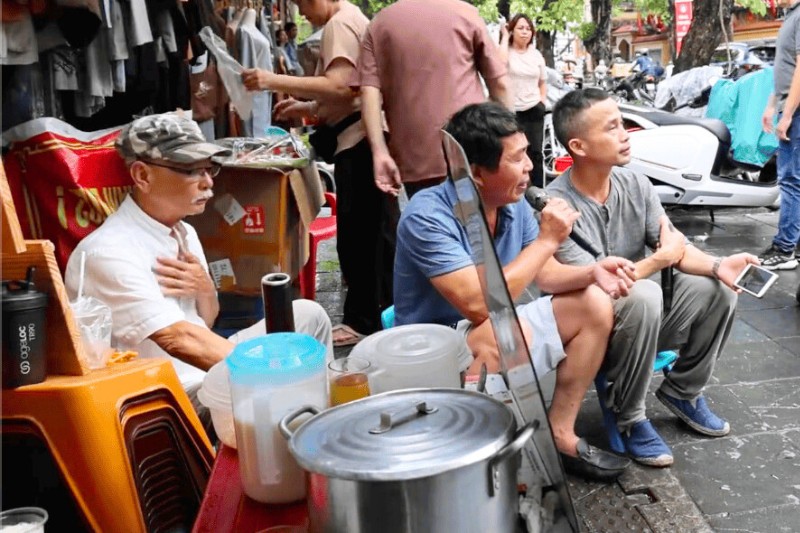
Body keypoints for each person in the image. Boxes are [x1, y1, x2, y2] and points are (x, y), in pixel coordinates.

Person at [394, 101, 636, 482]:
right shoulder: (427, 216)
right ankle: (478, 458)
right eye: (517, 158)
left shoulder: (511, 204)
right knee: (497, 334)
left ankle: (560, 433)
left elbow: (548, 275)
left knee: (594, 303)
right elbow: (476, 305)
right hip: (434, 347)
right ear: (475, 172)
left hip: (492, 326)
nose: (529, 167)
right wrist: (546, 240)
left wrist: (592, 271)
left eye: (527, 154)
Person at [64, 112, 333, 436]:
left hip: (208, 374)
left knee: (308, 315)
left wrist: (206, 290)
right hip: (170, 396)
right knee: (284, 383)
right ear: (142, 176)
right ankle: (310, 422)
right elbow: (181, 339)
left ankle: (320, 418)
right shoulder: (107, 252)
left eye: (210, 168)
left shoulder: (185, 232)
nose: (208, 182)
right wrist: (278, 371)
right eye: (192, 170)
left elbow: (205, 321)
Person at [547, 88, 759, 467]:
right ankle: (630, 418)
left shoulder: (635, 184)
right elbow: (600, 283)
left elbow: (672, 246)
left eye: (623, 124)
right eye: (612, 128)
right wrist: (660, 261)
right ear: (578, 146)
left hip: (645, 320)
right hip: (595, 333)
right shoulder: (557, 207)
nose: (625, 134)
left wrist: (716, 264)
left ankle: (683, 390)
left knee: (719, 290)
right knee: (643, 293)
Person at [242, 0, 398, 345]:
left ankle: (363, 320)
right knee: (374, 235)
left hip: (358, 141)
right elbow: (350, 92)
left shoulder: (340, 24)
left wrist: (270, 79)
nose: (303, 14)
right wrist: (310, 107)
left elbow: (341, 86)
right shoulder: (353, 18)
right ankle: (380, 312)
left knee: (361, 237)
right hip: (364, 136)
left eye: (303, 5)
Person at [352, 0, 512, 198]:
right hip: (472, 152)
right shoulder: (465, 13)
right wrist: (511, 141)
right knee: (481, 224)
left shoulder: (378, 25)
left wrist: (380, 152)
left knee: (428, 224)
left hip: (413, 161)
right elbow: (500, 84)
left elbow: (369, 95)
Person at [759, 0, 800, 270]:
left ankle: (785, 248)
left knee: (790, 180)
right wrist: (772, 105)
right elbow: (784, 66)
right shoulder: (791, 16)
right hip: (790, 107)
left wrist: (787, 115)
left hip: (797, 111)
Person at [497, 14, 548, 188]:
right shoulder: (506, 52)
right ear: (512, 30)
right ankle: (515, 190)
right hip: (511, 111)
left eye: (528, 29)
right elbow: (500, 65)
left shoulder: (536, 55)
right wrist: (504, 37)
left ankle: (538, 193)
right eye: (520, 28)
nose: (525, 32)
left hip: (534, 109)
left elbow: (542, 82)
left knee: (536, 154)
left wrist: (542, 102)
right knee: (513, 153)